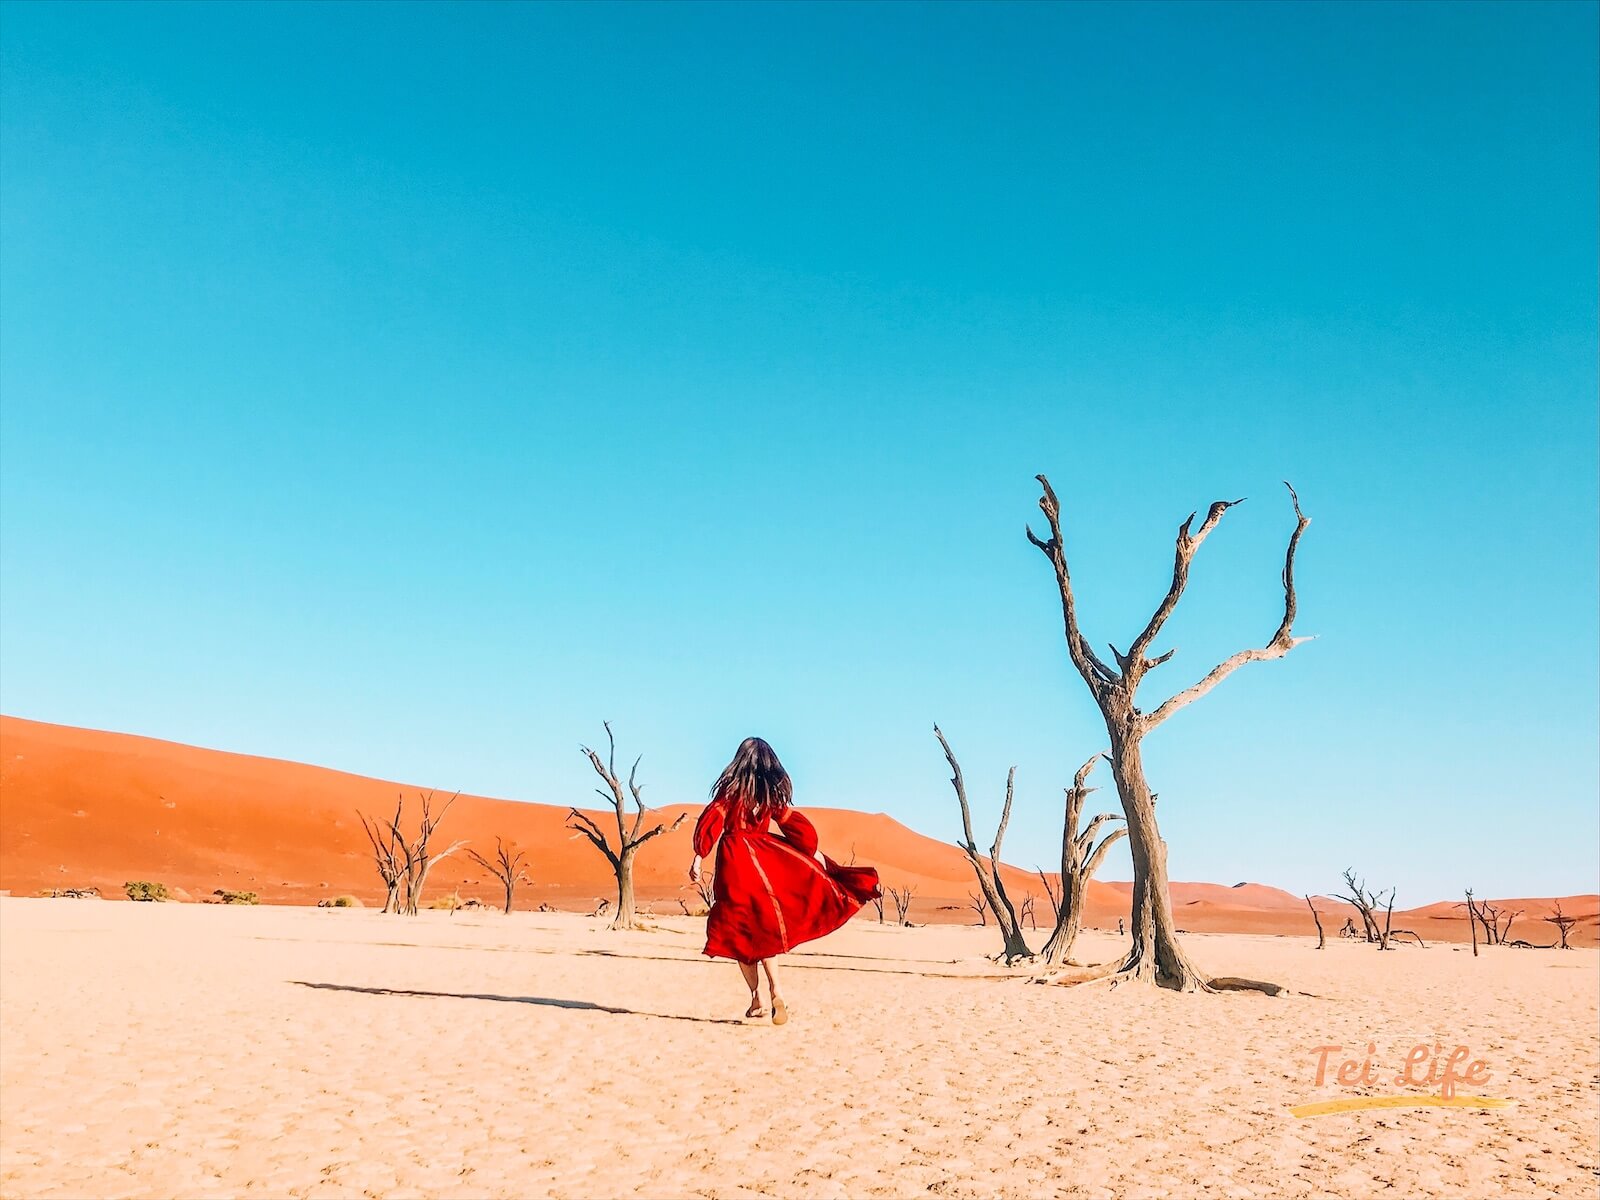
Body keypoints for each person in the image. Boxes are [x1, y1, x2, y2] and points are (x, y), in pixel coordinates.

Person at [689, 737, 879, 1024]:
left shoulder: (731, 791)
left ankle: (756, 999)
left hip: (734, 862)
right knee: (766, 929)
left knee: (739, 931)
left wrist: (698, 856)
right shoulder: (770, 796)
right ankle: (776, 988)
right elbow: (796, 828)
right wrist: (813, 852)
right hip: (765, 857)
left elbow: (712, 821)